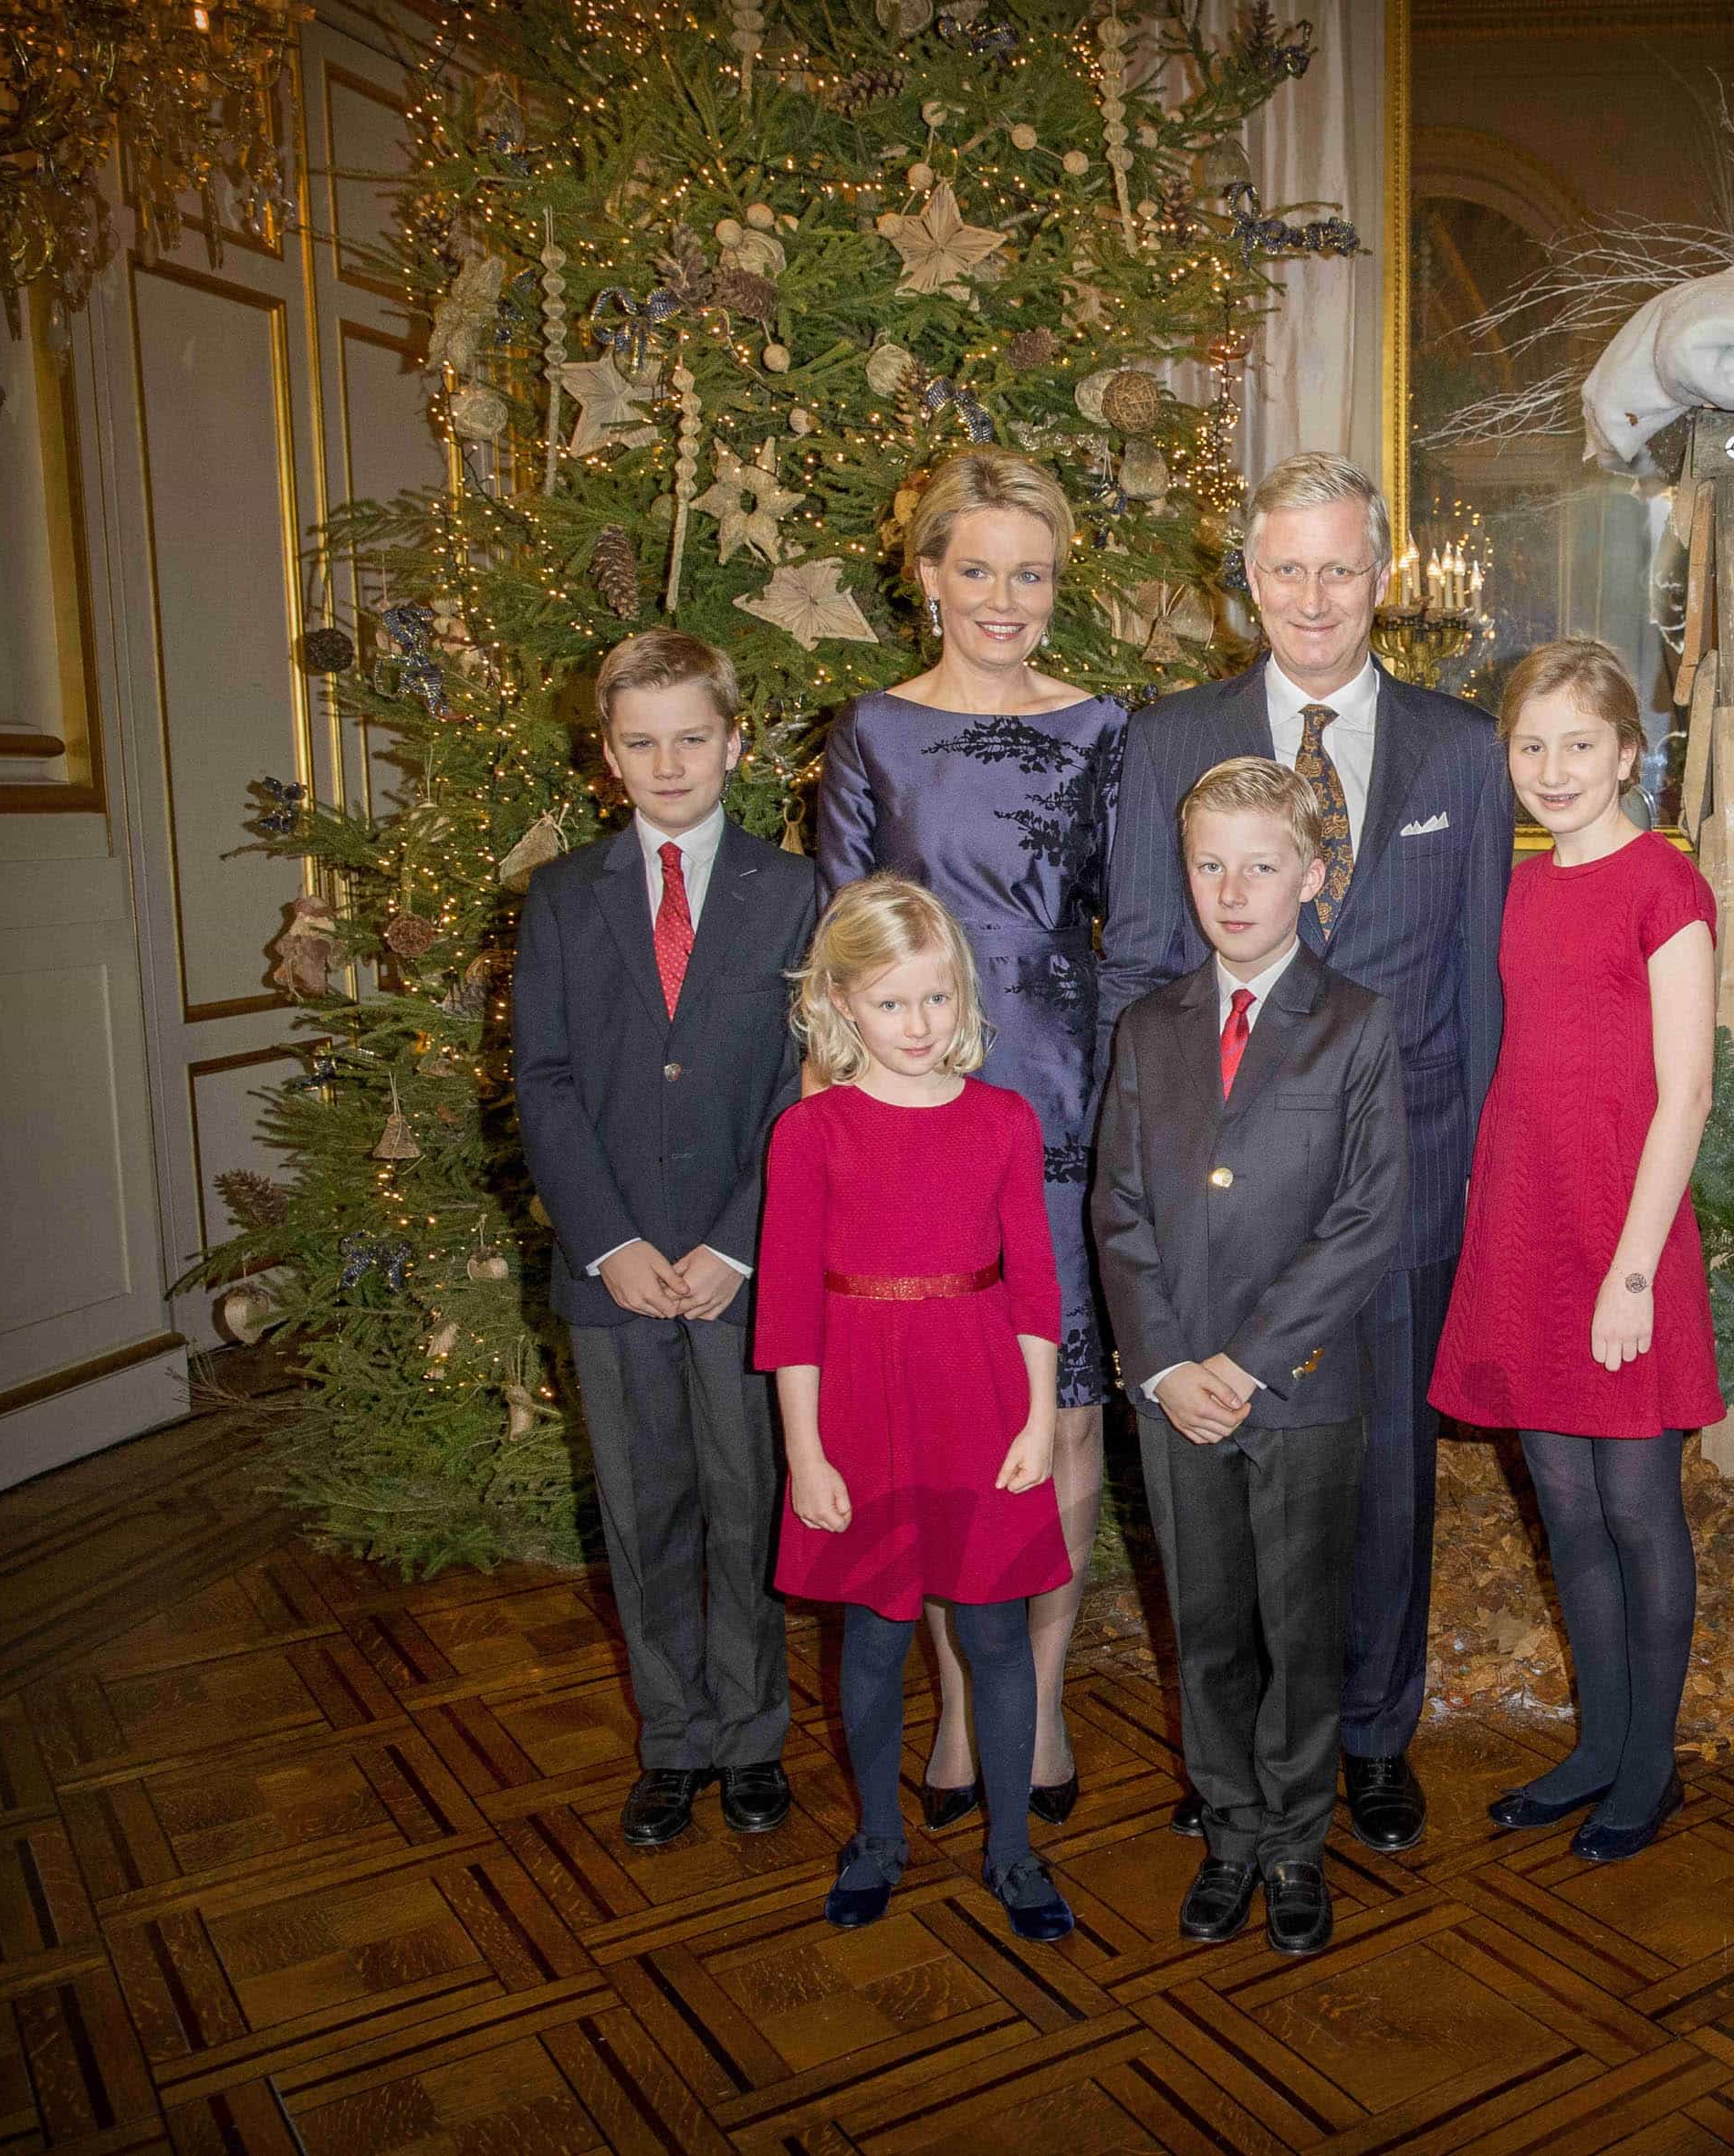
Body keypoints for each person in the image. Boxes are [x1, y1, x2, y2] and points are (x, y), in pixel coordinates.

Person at [1099, 452, 1506, 1854]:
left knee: (1383, 1479)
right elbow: (1140, 971)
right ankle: (1244, 1749)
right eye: (1286, 568)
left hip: (1401, 1182)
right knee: (1222, 1481)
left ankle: (1372, 1734)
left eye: (1340, 567)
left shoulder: (1460, 748)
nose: (1314, 597)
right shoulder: (1169, 739)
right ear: (1248, 580)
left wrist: (1484, 1192)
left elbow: (1481, 979)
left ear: (1380, 577)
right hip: (1215, 1189)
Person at [817, 447, 1126, 1831]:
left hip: (1068, 1104)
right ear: (927, 574)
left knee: (1059, 1416)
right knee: (945, 1423)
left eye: (1031, 572)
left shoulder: (1106, 728)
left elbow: (1147, 938)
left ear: (1056, 587)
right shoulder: (870, 733)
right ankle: (959, 1708)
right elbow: (835, 948)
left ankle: (1041, 1702)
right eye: (978, 567)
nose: (1004, 596)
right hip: (913, 1116)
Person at [1093, 757, 1410, 1956]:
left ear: (1311, 880)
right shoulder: (1151, 1026)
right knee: (1212, 1625)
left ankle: (1293, 1842)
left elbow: (1365, 1218)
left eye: (1261, 866)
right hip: (1178, 1396)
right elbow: (1119, 1212)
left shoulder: (1354, 1025)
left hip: (1302, 1391)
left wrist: (1249, 1361)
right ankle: (1229, 1829)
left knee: (1298, 1626)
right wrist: (1170, 1367)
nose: (1233, 891)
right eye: (1209, 865)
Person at [517, 629, 817, 1852]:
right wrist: (608, 1244)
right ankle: (673, 1739)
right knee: (645, 1513)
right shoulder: (562, 896)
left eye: (692, 735)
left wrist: (740, 1243)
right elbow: (540, 1080)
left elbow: (808, 1085)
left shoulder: (790, 891)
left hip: (741, 1269)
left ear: (735, 742)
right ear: (607, 757)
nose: (669, 760)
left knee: (747, 1504)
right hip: (617, 1271)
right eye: (641, 742)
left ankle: (750, 1737)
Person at [1431, 639, 1720, 1865]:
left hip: (1622, 1230)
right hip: (1525, 1223)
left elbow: (1689, 1089)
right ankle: (1597, 1742)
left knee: (1635, 1504)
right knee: (1562, 1503)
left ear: (1625, 753)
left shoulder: (1664, 883)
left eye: (1578, 744)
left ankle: (1647, 1763)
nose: (1552, 767)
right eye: (1529, 744)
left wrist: (1634, 1270)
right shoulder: (1516, 885)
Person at [756, 874, 1077, 1941]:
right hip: (856, 1407)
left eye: (936, 999)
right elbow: (792, 1308)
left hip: (980, 1398)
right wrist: (805, 1452)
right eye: (891, 1002)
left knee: (993, 1629)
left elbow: (1035, 1281)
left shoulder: (1002, 1119)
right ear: (841, 1003)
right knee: (877, 1638)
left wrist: (1036, 1419)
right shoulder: (812, 1133)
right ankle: (878, 1839)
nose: (918, 1025)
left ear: (964, 997)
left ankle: (1013, 1848)